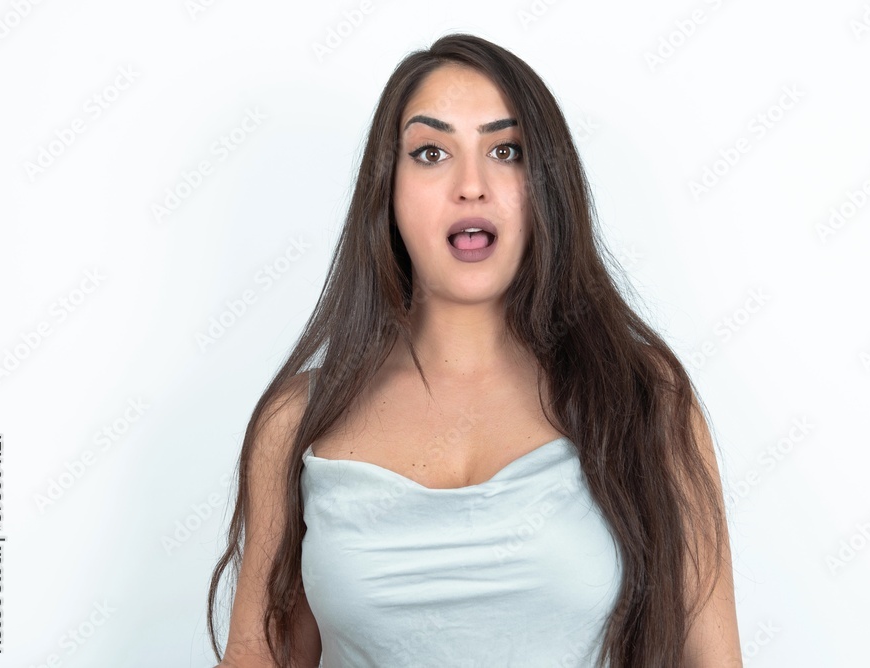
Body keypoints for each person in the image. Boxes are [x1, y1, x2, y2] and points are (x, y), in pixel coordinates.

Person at [207, 32, 742, 667]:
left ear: (547, 186)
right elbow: (259, 654)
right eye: (431, 152)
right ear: (388, 190)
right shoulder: (296, 422)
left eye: (506, 150)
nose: (471, 185)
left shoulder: (645, 398)